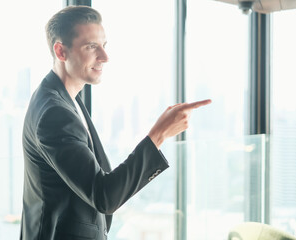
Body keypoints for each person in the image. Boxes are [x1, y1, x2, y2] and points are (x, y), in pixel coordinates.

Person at [20, 5, 211, 240]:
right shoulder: (55, 113)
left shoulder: (66, 99)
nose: (104, 57)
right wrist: (159, 134)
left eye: (104, 45)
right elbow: (104, 196)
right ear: (61, 51)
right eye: (91, 47)